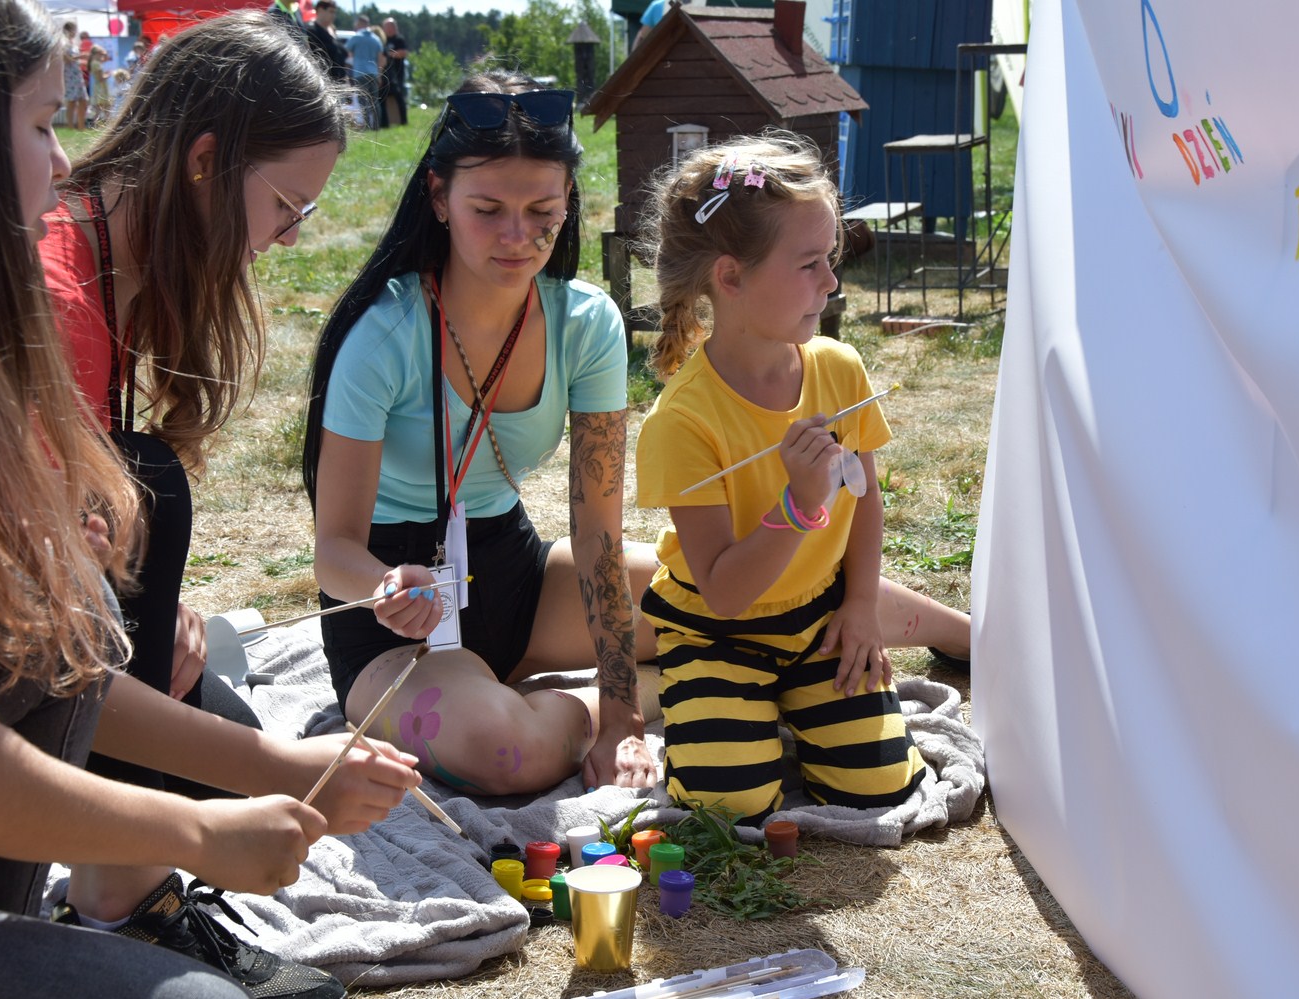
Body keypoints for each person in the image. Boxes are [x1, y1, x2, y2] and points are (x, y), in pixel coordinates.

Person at [0, 2, 420, 999]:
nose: (290, 241)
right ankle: (115, 899)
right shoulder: (47, 301)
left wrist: (117, 601)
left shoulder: (95, 283)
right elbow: (37, 648)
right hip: (3, 751)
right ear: (208, 165)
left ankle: (115, 893)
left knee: (197, 672)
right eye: (287, 208)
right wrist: (253, 786)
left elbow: (60, 613)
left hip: (28, 708)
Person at [304, 70, 662, 797]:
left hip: (513, 573)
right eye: (488, 209)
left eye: (543, 213)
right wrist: (381, 585)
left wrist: (625, 714)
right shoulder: (385, 334)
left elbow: (598, 532)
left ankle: (949, 632)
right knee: (506, 752)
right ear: (438, 197)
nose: (518, 237)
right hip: (393, 625)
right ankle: (679, 688)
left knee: (729, 591)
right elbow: (333, 551)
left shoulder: (587, 323)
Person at [632, 132, 973, 825]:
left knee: (879, 787)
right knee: (726, 804)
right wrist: (798, 503)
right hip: (716, 633)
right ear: (730, 278)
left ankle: (775, 713)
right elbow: (725, 591)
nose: (832, 281)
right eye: (810, 263)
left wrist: (856, 610)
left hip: (819, 619)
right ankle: (710, 697)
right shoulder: (681, 422)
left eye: (832, 259)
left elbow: (866, 499)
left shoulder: (839, 370)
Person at [343, 14, 381, 129]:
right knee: (375, 101)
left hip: (360, 72)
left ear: (359, 23)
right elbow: (379, 56)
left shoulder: (356, 37)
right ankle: (376, 126)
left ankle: (365, 126)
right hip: (373, 72)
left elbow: (346, 51)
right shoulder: (376, 38)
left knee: (363, 101)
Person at [302, 0, 347, 83]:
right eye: (330, 11)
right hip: (325, 81)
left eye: (334, 12)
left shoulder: (333, 31)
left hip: (341, 82)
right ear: (320, 10)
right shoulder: (312, 31)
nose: (333, 15)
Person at [380, 17, 408, 127]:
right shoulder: (383, 40)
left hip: (397, 73)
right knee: (382, 97)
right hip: (385, 73)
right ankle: (385, 123)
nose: (387, 29)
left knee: (399, 97)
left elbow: (403, 53)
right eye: (385, 27)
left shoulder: (399, 39)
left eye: (389, 27)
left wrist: (389, 54)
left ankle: (403, 121)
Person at [59, 19, 85, 128]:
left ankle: (81, 125)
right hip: (69, 75)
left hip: (77, 73)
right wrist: (81, 56)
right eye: (74, 30)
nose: (75, 33)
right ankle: (70, 125)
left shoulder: (73, 44)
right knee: (71, 101)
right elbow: (66, 59)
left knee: (83, 100)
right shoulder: (63, 43)